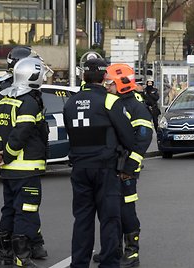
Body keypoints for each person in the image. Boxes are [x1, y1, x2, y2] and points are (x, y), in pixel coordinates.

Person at [63, 59, 136, 268]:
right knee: (110, 220)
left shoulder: (70, 103)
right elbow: (128, 137)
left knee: (82, 220)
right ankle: (109, 264)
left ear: (83, 76)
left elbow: (71, 133)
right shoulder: (110, 101)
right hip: (105, 169)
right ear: (105, 76)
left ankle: (79, 264)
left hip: (79, 169)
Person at [0, 57, 50, 267]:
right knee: (26, 211)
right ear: (32, 75)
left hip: (8, 171)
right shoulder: (30, 102)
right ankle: (21, 257)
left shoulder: (5, 99)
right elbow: (20, 135)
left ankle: (4, 255)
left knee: (9, 209)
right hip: (25, 169)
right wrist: (6, 154)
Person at [92, 64, 153, 267]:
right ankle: (112, 249)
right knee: (110, 209)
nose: (106, 86)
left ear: (121, 83)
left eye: (109, 83)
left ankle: (132, 252)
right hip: (110, 165)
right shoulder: (114, 102)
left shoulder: (135, 106)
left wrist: (130, 166)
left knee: (126, 210)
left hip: (126, 168)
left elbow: (143, 138)